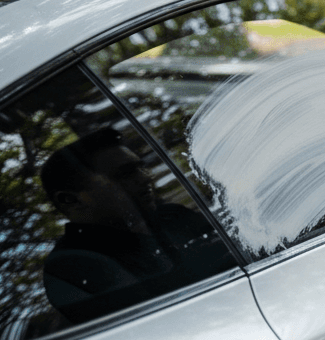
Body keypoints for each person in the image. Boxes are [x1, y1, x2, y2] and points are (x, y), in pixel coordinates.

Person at [40, 128, 232, 322]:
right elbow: (156, 320)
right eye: (125, 174)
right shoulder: (73, 265)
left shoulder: (172, 215)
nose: (145, 178)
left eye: (141, 168)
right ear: (70, 200)